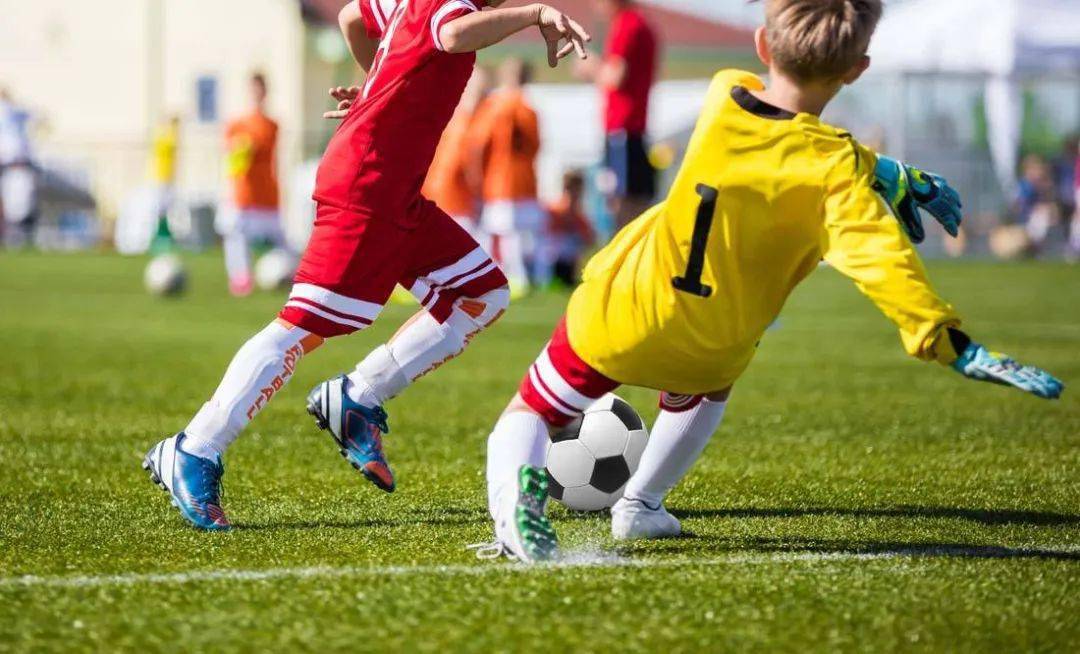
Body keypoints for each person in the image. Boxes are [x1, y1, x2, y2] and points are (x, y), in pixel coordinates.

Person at [478, 0, 1064, 563]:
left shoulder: (722, 91)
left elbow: (787, 134)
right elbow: (883, 259)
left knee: (529, 410)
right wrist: (948, 340)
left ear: (763, 43)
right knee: (705, 391)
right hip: (715, 345)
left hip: (624, 311)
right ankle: (639, 503)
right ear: (857, 71)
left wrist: (883, 171)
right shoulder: (835, 174)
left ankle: (513, 511)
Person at [143, 1, 590, 531]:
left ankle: (357, 397)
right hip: (366, 188)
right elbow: (450, 33)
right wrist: (534, 15)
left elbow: (353, 17)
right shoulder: (456, 9)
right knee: (302, 329)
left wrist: (380, 85)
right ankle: (194, 449)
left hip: (393, 191)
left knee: (481, 295)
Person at [575, 0, 658, 233]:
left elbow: (615, 77)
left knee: (622, 201)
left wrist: (590, 67)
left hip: (623, 128)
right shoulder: (637, 23)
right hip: (630, 129)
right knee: (629, 197)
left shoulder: (627, 24)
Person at [469, 58, 543, 294]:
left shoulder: (495, 106)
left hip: (500, 180)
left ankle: (506, 277)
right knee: (521, 234)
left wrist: (475, 176)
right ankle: (528, 276)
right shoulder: (530, 109)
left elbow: (479, 144)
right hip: (525, 180)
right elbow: (536, 146)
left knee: (498, 234)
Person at [219, 73, 286, 297]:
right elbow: (231, 157)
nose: (258, 92)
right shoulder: (236, 124)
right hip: (244, 193)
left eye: (261, 88)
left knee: (281, 241)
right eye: (254, 88)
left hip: (267, 192)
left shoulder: (272, 125)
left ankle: (289, 276)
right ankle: (241, 279)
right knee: (236, 237)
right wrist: (239, 150)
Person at [423, 67, 491, 239]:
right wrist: (480, 197)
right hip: (457, 205)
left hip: (439, 200)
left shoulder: (450, 118)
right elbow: (467, 165)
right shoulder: (466, 124)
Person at [0, 88, 39, 248]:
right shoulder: (10, 112)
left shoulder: (14, 112)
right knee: (14, 205)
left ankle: (16, 237)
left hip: (17, 165)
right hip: (9, 165)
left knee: (17, 205)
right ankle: (12, 236)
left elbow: (38, 116)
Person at [542, 169, 595, 287]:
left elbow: (590, 239)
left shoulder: (580, 215)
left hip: (570, 261)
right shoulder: (555, 210)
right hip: (552, 260)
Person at [148, 115, 181, 252]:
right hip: (161, 178)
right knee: (161, 208)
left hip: (168, 178)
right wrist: (174, 127)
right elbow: (171, 142)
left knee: (167, 207)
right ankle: (160, 236)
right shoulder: (161, 138)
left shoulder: (165, 137)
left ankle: (165, 235)